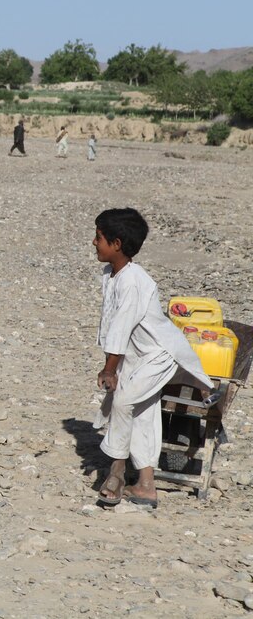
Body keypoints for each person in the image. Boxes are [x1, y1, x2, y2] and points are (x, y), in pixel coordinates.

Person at [91, 208, 216, 508]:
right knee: (142, 413)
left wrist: (109, 369)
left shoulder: (134, 281)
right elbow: (112, 324)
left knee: (122, 402)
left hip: (159, 355)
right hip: (137, 357)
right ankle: (146, 486)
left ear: (117, 244)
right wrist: (117, 364)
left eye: (98, 238)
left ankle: (117, 472)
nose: (93, 243)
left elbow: (121, 327)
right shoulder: (112, 275)